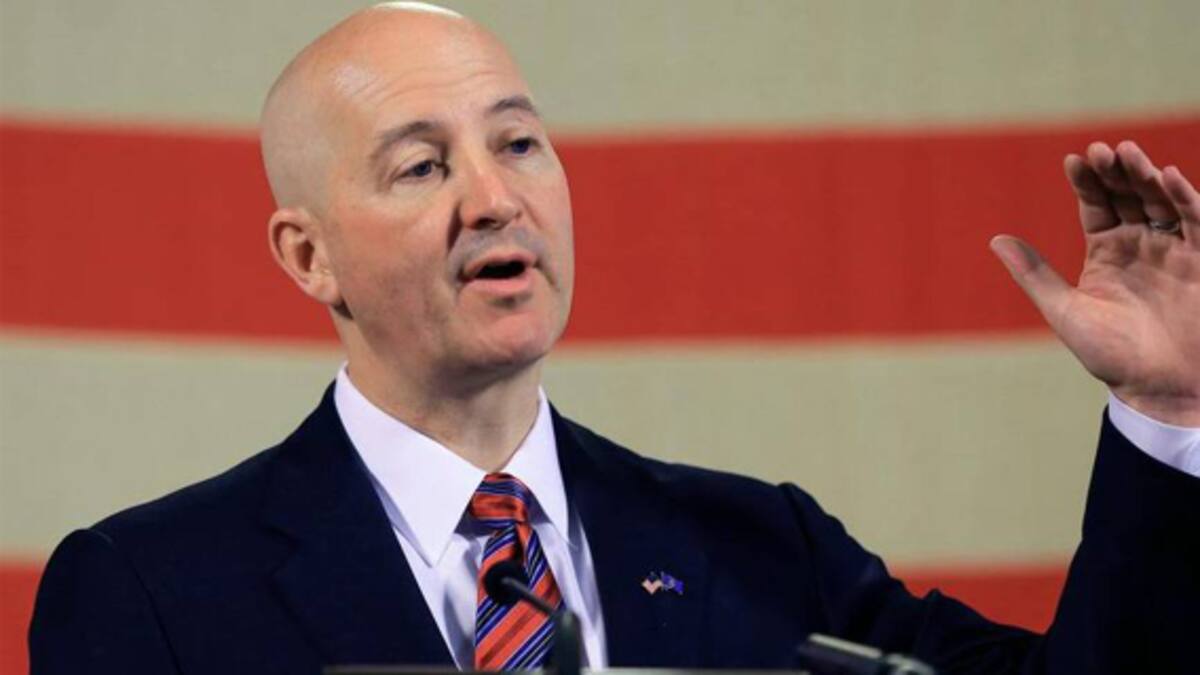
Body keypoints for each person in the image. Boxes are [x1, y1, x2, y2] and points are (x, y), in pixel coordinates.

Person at [28, 3, 1200, 674]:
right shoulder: (149, 592)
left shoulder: (765, 552)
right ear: (308, 256)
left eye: (519, 144)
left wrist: (1165, 412)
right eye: (424, 166)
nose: (496, 199)